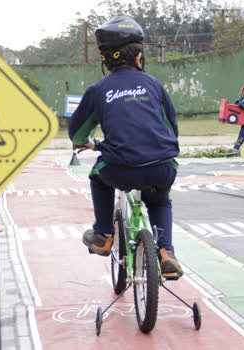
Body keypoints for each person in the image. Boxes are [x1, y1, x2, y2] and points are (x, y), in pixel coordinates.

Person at [68, 16, 183, 276]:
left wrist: (89, 143)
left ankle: (103, 236)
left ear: (106, 60)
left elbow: (76, 134)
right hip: (161, 166)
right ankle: (167, 252)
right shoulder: (154, 85)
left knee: (98, 177)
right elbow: (171, 129)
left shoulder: (98, 90)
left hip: (120, 168)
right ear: (139, 56)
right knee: (160, 200)